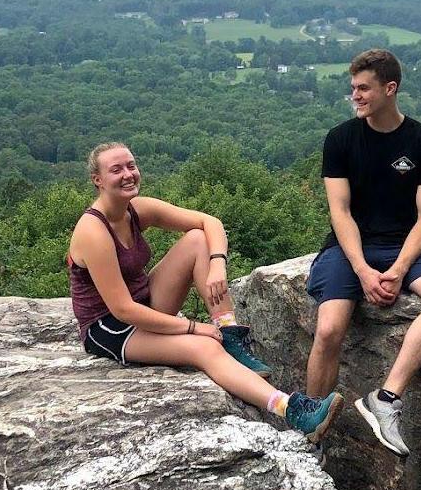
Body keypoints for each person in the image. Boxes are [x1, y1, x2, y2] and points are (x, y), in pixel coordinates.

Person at [68, 142, 343, 443]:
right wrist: (193, 328)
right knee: (205, 348)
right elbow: (123, 310)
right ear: (97, 179)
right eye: (116, 170)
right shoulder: (93, 231)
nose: (128, 174)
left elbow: (208, 222)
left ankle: (231, 337)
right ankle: (292, 411)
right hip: (110, 327)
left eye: (131, 165)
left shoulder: (136, 210)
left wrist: (218, 265)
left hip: (144, 302)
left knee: (198, 240)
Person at [305, 49, 421, 457]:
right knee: (329, 329)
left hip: (402, 244)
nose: (355, 96)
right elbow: (339, 210)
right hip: (349, 247)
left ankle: (386, 399)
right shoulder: (340, 139)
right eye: (353, 88)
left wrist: (398, 268)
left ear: (389, 89)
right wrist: (361, 269)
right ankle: (309, 431)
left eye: (363, 88)